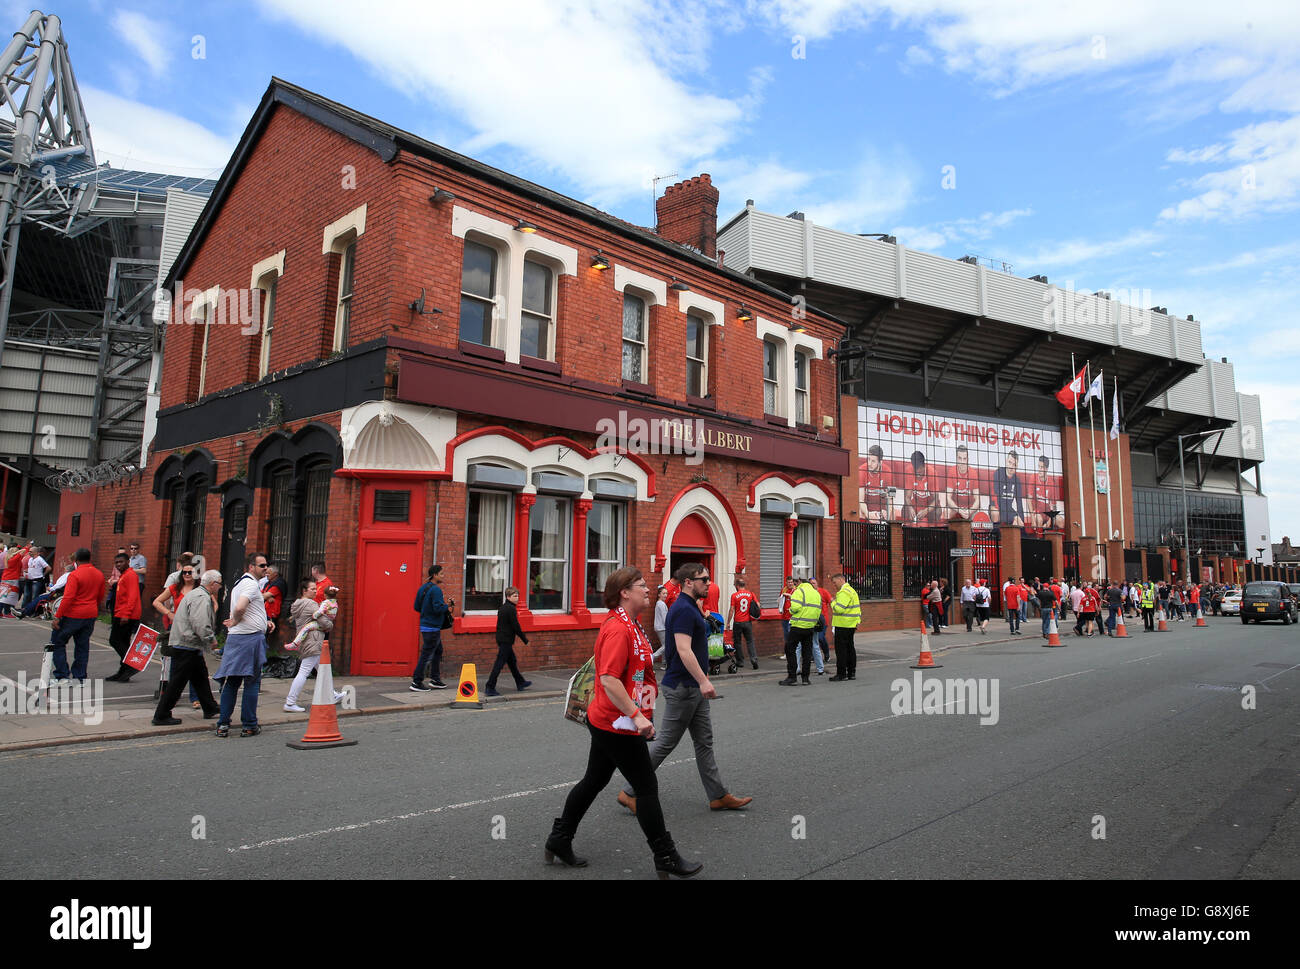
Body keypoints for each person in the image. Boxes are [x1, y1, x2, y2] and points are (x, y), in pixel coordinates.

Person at [545, 567, 701, 879]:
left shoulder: (632, 625)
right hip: (617, 722)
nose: (648, 589)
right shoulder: (619, 628)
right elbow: (609, 679)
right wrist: (637, 716)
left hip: (611, 719)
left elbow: (633, 669)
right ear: (624, 593)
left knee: (594, 779)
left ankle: (559, 839)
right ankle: (665, 855)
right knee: (645, 786)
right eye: (641, 585)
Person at [618, 562, 751, 814]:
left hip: (692, 688)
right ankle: (629, 791)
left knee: (704, 742)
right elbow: (682, 649)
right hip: (683, 686)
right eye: (703, 579)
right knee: (667, 742)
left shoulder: (690, 607)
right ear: (688, 582)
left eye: (709, 578)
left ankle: (718, 795)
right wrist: (703, 680)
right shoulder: (681, 609)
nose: (708, 583)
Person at [152, 570, 222, 725]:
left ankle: (210, 707)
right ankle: (161, 714)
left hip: (188, 644)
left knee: (200, 678)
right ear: (212, 584)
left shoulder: (197, 593)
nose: (220, 587)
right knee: (177, 682)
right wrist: (210, 639)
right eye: (219, 584)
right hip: (187, 644)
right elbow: (200, 622)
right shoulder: (201, 597)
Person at [215, 553, 274, 737]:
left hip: (236, 638)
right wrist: (235, 620)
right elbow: (240, 607)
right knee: (252, 683)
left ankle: (223, 725)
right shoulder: (249, 584)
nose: (266, 568)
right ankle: (249, 725)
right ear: (251, 567)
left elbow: (249, 609)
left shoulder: (241, 583)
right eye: (261, 565)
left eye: (266, 565)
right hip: (249, 639)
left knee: (232, 682)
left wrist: (264, 622)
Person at [284, 580, 343, 711]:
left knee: (322, 670)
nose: (316, 591)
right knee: (304, 672)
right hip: (313, 640)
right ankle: (290, 702)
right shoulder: (311, 605)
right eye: (312, 589)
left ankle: (332, 694)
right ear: (304, 591)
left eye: (316, 589)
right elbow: (324, 622)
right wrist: (331, 625)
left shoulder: (297, 604)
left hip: (307, 639)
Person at [49, 548, 106, 682]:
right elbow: (100, 595)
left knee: (57, 642)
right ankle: (80, 677)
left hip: (73, 614)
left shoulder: (74, 575)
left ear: (76, 560)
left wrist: (58, 616)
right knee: (82, 645)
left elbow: (68, 598)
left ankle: (62, 675)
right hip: (90, 613)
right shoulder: (99, 574)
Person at [411, 564, 452, 690]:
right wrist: (448, 606)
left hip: (425, 625)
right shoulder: (436, 590)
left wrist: (427, 612)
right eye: (441, 574)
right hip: (433, 628)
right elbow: (438, 608)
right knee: (426, 654)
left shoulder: (422, 588)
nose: (443, 576)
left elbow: (417, 607)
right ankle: (417, 682)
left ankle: (435, 679)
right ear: (435, 575)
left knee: (438, 651)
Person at [486, 587, 532, 696]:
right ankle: (490, 686)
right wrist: (525, 639)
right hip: (506, 640)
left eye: (517, 596)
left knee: (512, 662)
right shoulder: (511, 609)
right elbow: (515, 626)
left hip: (502, 639)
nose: (517, 598)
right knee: (499, 664)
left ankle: (520, 682)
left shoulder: (503, 607)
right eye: (514, 596)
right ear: (508, 597)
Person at [106, 552, 143, 682]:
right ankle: (123, 672)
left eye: (121, 562)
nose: (118, 564)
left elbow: (132, 596)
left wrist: (125, 615)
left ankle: (131, 665)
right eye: (116, 563)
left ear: (128, 562)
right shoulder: (124, 575)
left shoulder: (131, 575)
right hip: (120, 612)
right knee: (123, 641)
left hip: (126, 615)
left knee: (115, 640)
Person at [782, 574, 823, 685]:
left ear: (799, 582)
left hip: (798, 625)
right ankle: (805, 678)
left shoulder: (799, 592)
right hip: (810, 627)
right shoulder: (816, 594)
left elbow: (795, 607)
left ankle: (792, 677)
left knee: (789, 649)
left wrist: (790, 610)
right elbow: (819, 611)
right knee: (807, 653)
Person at [828, 573, 860, 681]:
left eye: (834, 582)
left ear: (841, 580)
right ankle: (851, 673)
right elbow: (857, 609)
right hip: (851, 624)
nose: (834, 585)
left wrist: (832, 602)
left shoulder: (843, 592)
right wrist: (857, 622)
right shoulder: (852, 591)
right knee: (850, 648)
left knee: (841, 650)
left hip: (842, 624)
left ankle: (841, 674)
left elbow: (839, 609)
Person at [289, 586, 339, 650]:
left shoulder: (325, 603)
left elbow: (320, 611)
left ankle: (295, 644)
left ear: (325, 595)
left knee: (306, 628)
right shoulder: (335, 603)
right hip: (329, 622)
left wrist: (314, 615)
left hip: (323, 622)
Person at [727, 576, 759, 670]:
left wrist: (728, 622)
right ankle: (754, 659)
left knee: (737, 642)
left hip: (737, 622)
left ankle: (740, 661)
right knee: (750, 641)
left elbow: (732, 609)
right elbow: (758, 605)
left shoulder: (734, 595)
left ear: (737, 586)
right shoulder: (751, 594)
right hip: (747, 622)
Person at [903, 450, 942, 523]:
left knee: (937, 512)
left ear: (924, 465)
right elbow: (907, 497)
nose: (918, 475)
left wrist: (925, 511)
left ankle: (933, 532)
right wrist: (910, 508)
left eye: (920, 472)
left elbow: (936, 500)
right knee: (904, 510)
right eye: (916, 472)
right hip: (916, 505)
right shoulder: (909, 471)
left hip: (929, 507)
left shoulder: (932, 473)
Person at [992, 450, 1025, 527]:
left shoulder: (1017, 481)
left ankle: (1011, 537)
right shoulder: (998, 473)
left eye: (1014, 464)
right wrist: (1014, 516)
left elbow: (1019, 503)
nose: (1011, 466)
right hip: (997, 505)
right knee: (996, 513)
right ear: (1006, 461)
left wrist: (1021, 520)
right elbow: (998, 499)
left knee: (1018, 523)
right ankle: (997, 536)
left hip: (1008, 509)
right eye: (1010, 462)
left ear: (1017, 466)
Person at [861, 444, 892, 520]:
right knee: (860, 512)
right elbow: (860, 499)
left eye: (873, 461)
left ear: (880, 462)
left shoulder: (888, 471)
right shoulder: (862, 470)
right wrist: (868, 514)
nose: (869, 464)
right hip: (867, 509)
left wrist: (887, 512)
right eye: (868, 459)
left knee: (892, 514)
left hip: (881, 510)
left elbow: (891, 497)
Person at [652, 585, 669, 667]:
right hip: (662, 628)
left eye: (666, 593)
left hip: (660, 627)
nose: (665, 595)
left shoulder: (660, 603)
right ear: (659, 594)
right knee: (666, 645)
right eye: (663, 593)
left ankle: (664, 662)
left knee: (665, 645)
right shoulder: (661, 604)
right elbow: (664, 618)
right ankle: (652, 657)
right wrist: (669, 626)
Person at [778, 576, 795, 644]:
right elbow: (780, 600)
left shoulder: (795, 590)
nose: (790, 584)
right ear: (786, 583)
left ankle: (793, 653)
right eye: (789, 582)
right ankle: (787, 653)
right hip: (784, 616)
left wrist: (788, 595)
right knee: (786, 635)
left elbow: (797, 600)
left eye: (791, 582)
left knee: (791, 635)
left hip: (792, 617)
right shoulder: (783, 590)